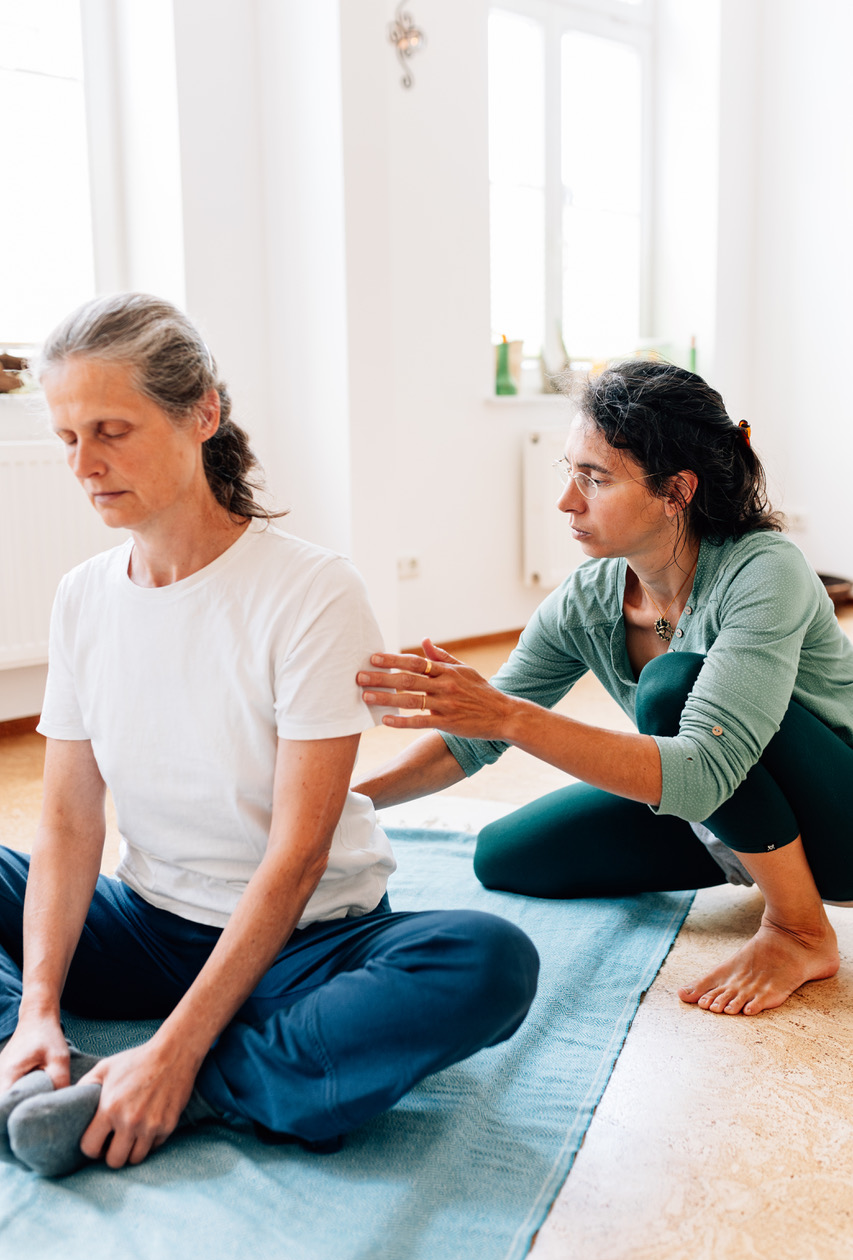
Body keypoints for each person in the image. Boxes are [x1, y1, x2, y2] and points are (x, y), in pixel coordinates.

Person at [0, 293, 539, 1178]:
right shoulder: (82, 597)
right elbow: (65, 825)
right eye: (67, 439)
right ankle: (26, 1068)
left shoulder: (312, 592)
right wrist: (39, 1012)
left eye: (111, 430)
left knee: (487, 962)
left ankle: (194, 1086)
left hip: (308, 943)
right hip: (151, 922)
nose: (84, 464)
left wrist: (174, 1052)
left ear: (202, 412)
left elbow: (295, 859)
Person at [354, 359, 853, 1018]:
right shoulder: (591, 599)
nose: (566, 501)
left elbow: (702, 772)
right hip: (719, 808)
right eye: (569, 472)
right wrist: (335, 807)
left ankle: (798, 929)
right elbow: (467, 743)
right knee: (504, 856)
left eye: (593, 478)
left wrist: (509, 717)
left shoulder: (764, 570)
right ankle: (753, 857)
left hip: (838, 819)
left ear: (675, 491)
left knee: (669, 687)